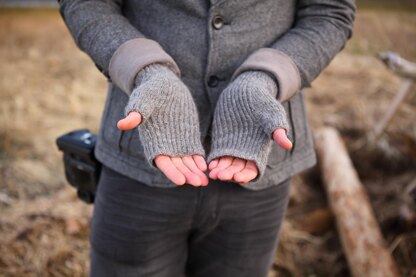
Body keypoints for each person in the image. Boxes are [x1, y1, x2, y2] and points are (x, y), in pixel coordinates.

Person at [58, 0, 355, 276]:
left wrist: (268, 76)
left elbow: (329, 12)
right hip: (136, 159)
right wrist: (144, 70)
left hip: (261, 159)